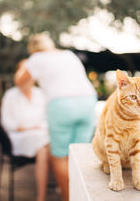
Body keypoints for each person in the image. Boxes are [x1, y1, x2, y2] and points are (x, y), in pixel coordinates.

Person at [14, 33, 97, 201]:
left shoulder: (36, 58)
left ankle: (69, 198)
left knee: (59, 155)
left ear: (33, 49)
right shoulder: (68, 54)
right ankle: (83, 196)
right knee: (78, 154)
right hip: (88, 102)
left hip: (61, 104)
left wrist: (25, 65)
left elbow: (19, 81)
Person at [1, 60, 50, 201]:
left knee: (48, 145)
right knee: (45, 148)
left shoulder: (41, 94)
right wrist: (25, 128)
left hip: (41, 133)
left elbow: (48, 118)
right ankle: (42, 196)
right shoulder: (10, 95)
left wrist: (40, 127)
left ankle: (49, 191)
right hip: (20, 137)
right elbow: (6, 121)